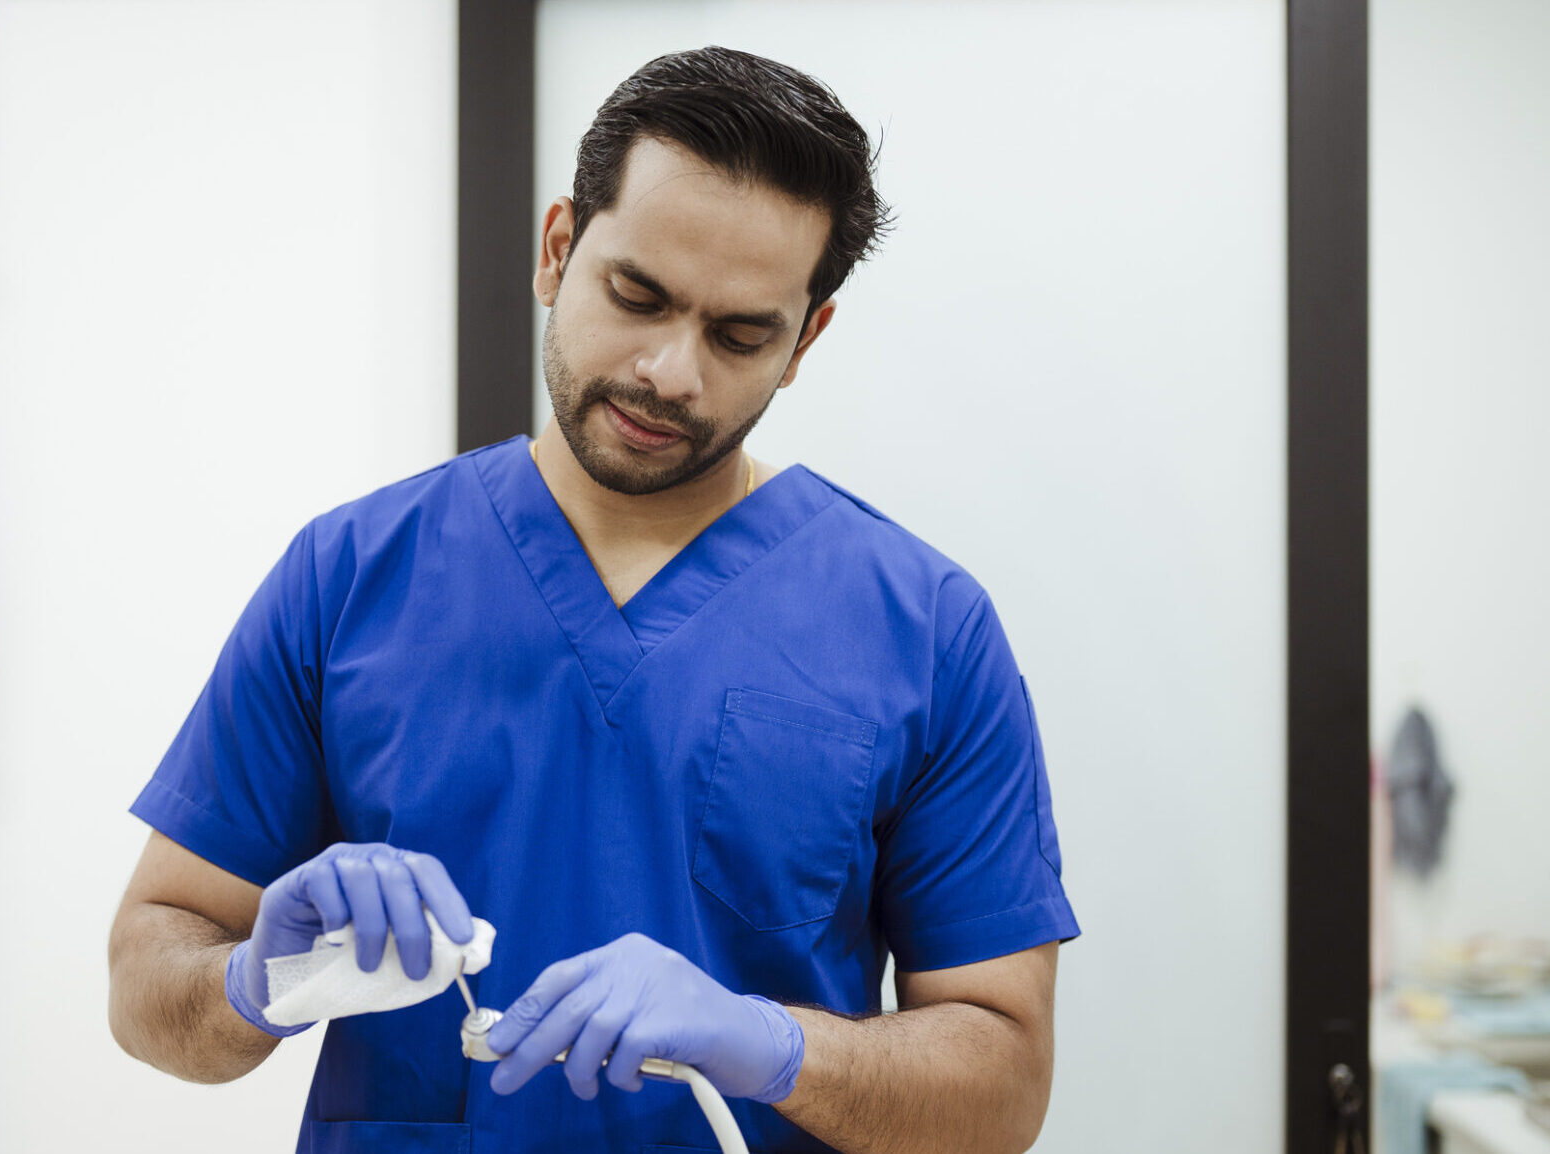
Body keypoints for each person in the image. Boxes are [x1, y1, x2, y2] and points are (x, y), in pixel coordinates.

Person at [107, 45, 1078, 1154]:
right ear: (557, 250)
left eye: (739, 334)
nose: (670, 371)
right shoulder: (349, 577)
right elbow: (146, 985)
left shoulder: (925, 630)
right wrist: (252, 979)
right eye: (637, 295)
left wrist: (771, 1044)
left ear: (804, 339)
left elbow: (1002, 1087)